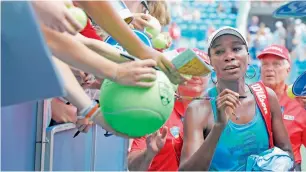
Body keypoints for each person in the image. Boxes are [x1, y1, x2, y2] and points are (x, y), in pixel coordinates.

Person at [179, 27, 293, 171]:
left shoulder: (266, 97)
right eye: (219, 52)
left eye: (236, 49)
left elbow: (287, 154)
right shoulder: (198, 109)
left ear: (248, 55)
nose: (229, 56)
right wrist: (218, 127)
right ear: (210, 62)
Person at [128, 48, 210, 171]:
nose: (195, 75)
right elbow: (132, 166)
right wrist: (148, 154)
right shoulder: (156, 110)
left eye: (201, 70)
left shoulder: (217, 113)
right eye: (188, 68)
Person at [257, 44, 306, 171]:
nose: (269, 69)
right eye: (265, 64)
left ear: (288, 69)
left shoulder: (300, 102)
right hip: (254, 166)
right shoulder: (249, 97)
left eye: (276, 64)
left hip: (289, 166)